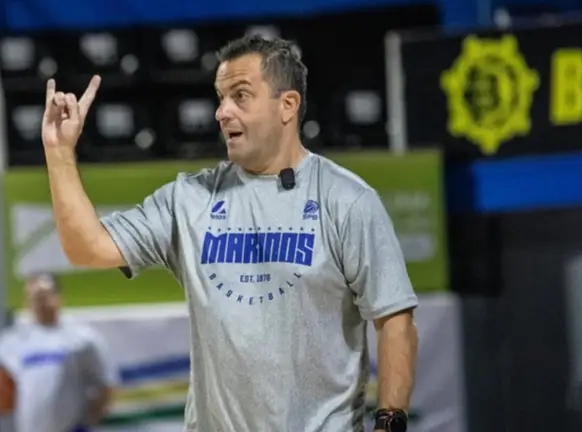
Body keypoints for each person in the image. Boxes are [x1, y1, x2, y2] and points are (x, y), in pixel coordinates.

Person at [42, 34, 418, 432]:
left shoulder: (346, 200)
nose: (222, 112)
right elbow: (88, 248)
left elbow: (395, 320)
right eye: (221, 98)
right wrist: (60, 154)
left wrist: (389, 421)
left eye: (241, 96)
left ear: (287, 105)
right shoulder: (189, 199)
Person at [0, 273, 118, 432]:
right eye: (34, 298)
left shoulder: (83, 338)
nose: (39, 303)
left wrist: (88, 421)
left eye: (44, 296)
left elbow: (106, 384)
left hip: (69, 427)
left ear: (58, 297)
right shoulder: (14, 339)